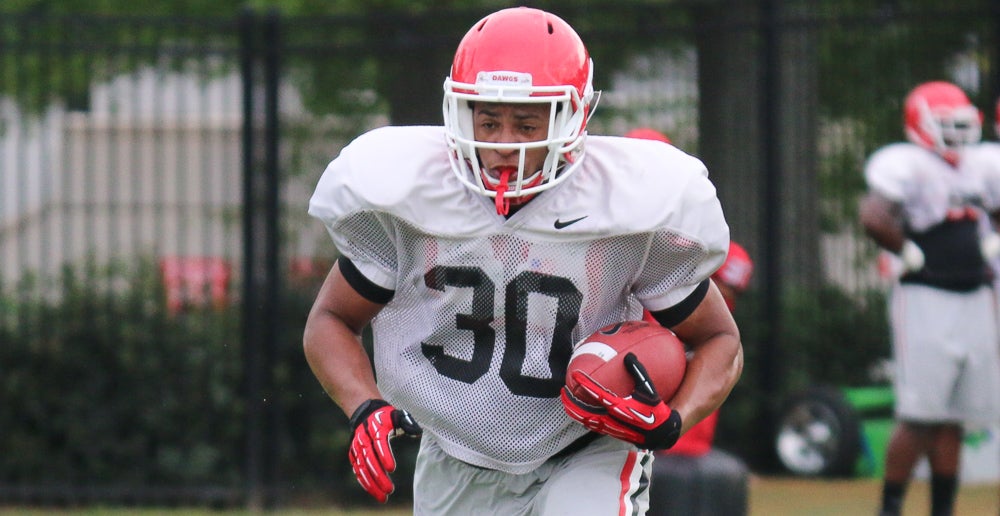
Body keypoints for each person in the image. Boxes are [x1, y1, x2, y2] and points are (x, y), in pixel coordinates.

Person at [303, 7, 743, 515]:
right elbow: (331, 320)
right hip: (455, 454)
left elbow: (719, 339)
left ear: (572, 118)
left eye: (526, 122)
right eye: (488, 121)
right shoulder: (409, 202)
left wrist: (673, 422)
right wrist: (364, 406)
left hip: (586, 447)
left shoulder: (625, 211)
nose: (504, 143)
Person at [858, 80, 1000, 516]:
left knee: (953, 416)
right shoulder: (908, 163)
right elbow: (873, 215)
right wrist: (904, 249)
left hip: (975, 293)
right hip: (925, 297)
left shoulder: (983, 163)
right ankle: (891, 506)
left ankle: (943, 509)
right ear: (920, 124)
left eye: (961, 125)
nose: (957, 134)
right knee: (919, 415)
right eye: (946, 125)